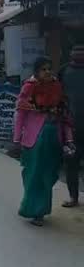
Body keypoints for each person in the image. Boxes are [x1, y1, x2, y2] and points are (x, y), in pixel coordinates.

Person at [14, 56, 74, 226]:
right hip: (36, 139)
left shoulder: (57, 88)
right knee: (34, 175)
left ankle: (40, 208)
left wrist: (68, 139)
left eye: (49, 68)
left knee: (48, 176)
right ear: (36, 71)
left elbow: (65, 117)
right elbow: (21, 114)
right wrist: (17, 137)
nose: (47, 72)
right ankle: (33, 210)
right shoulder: (29, 88)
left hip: (54, 138)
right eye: (43, 69)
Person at [60, 46, 84, 207]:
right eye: (76, 51)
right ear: (71, 53)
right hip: (71, 127)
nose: (79, 54)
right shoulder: (64, 71)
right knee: (71, 164)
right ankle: (73, 197)